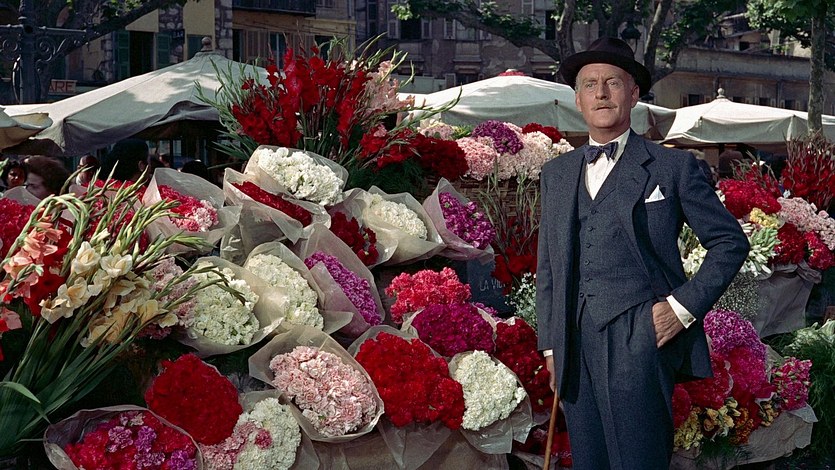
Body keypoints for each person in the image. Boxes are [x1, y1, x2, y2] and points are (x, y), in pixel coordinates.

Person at [536, 37, 749, 469]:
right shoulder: (556, 173)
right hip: (574, 342)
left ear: (633, 95)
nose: (601, 93)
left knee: (638, 460)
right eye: (590, 84)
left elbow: (730, 242)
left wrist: (681, 309)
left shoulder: (672, 167)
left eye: (613, 83)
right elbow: (549, 268)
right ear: (577, 99)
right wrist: (551, 348)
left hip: (640, 335)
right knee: (588, 461)